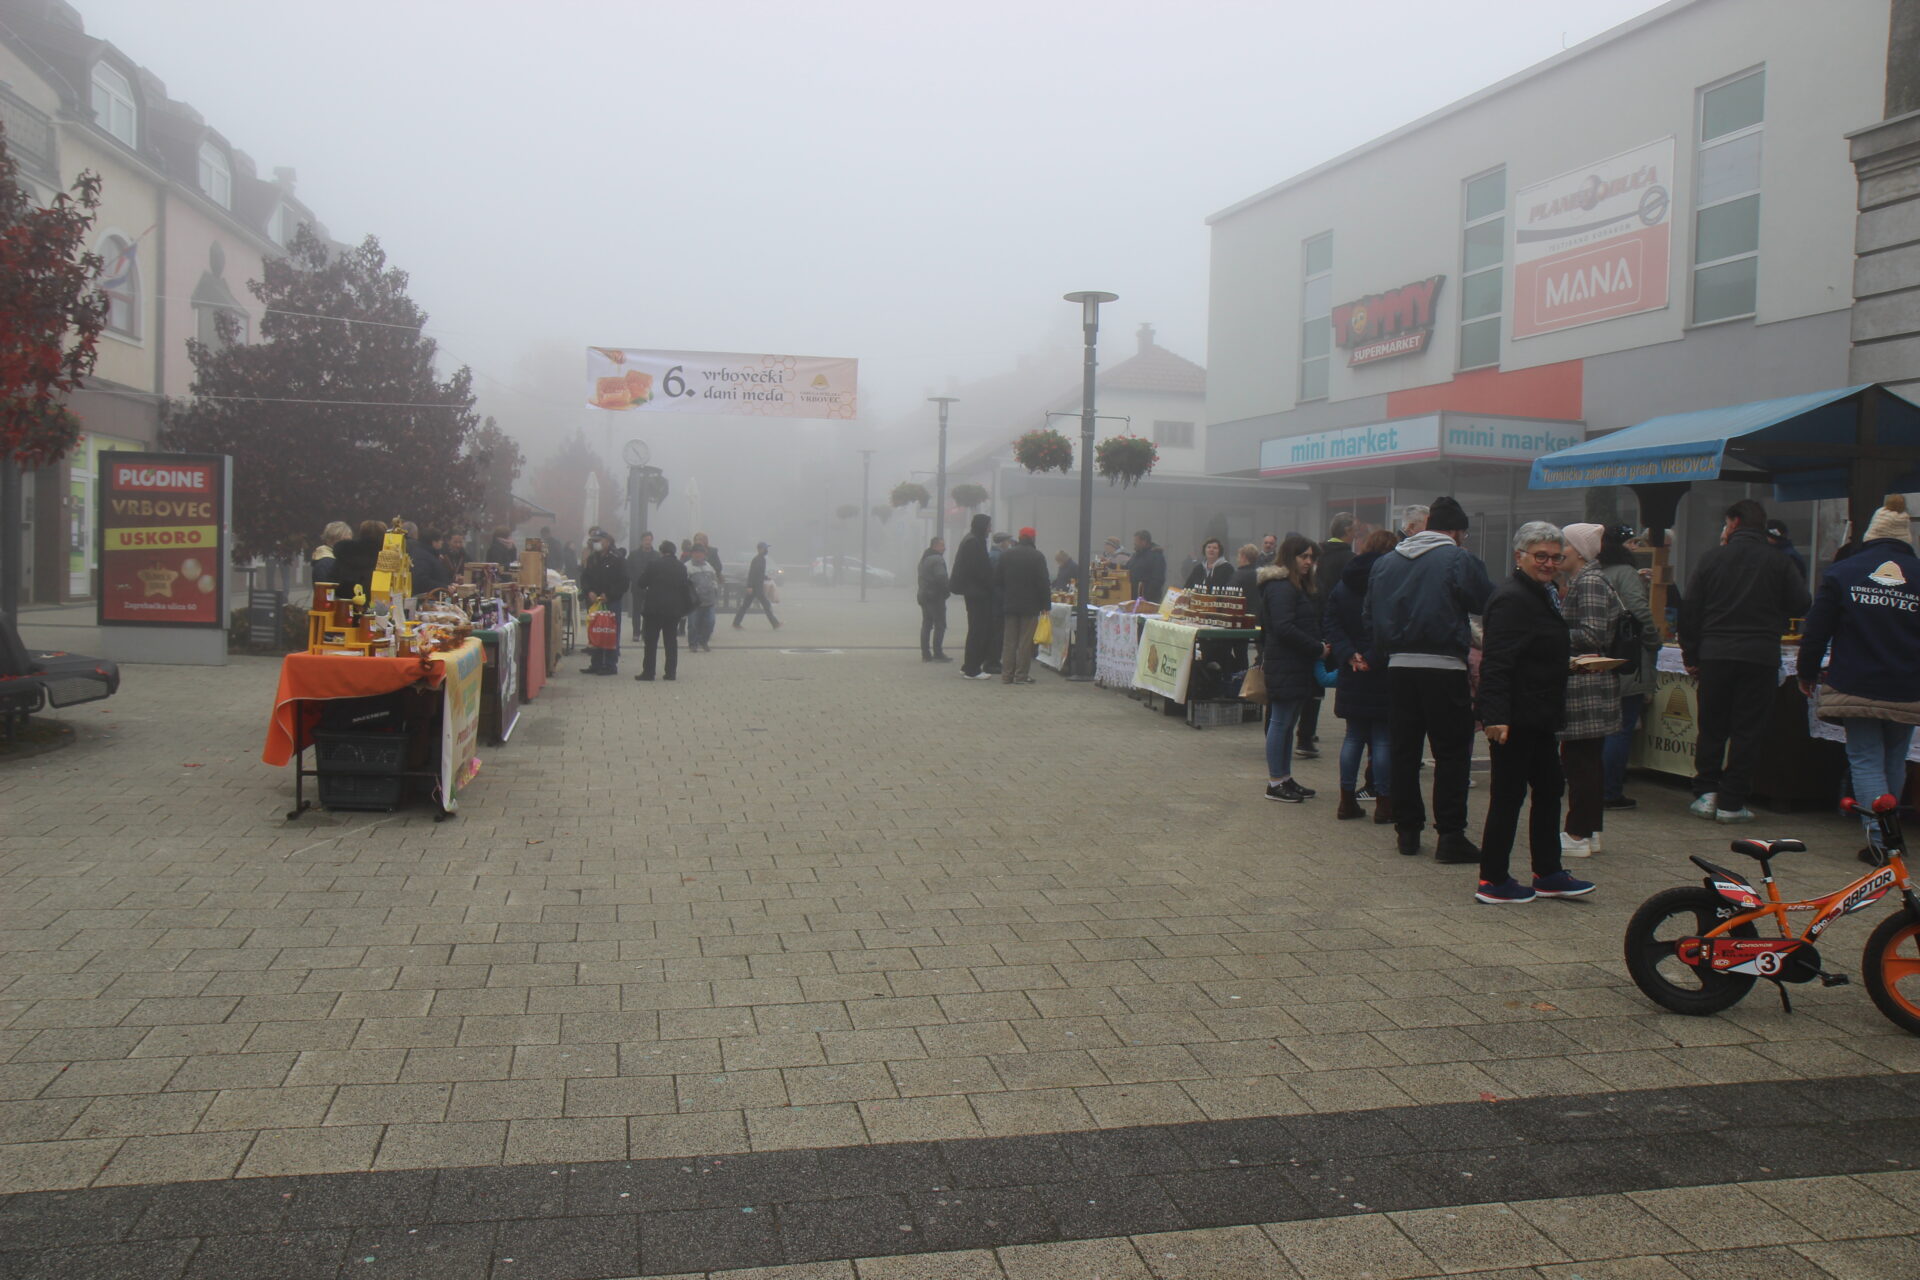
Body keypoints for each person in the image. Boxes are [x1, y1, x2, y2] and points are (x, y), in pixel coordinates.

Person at [1365, 495, 1496, 862]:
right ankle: (1450, 836)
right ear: (1456, 531)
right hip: (1444, 666)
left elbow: (1370, 615)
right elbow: (1485, 602)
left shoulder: (1385, 563)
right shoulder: (1458, 559)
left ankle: (1407, 831)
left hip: (1398, 667)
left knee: (1404, 751)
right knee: (1451, 753)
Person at [1474, 522, 1595, 904]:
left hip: (1539, 713)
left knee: (1550, 789)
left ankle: (1548, 873)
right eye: (1540, 556)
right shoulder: (1512, 598)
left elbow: (1537, 649)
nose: (1549, 563)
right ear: (1519, 556)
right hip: (1515, 717)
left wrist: (1567, 665)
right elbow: (1497, 661)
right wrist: (1495, 716)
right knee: (1508, 797)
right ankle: (1493, 880)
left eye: (1555, 557)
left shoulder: (1541, 593)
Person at [1798, 495, 1920, 863]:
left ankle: (1881, 843)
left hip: (1856, 682)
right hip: (1907, 685)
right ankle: (1891, 836)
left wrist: (1807, 672)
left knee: (1865, 759)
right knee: (1894, 760)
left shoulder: (1844, 573)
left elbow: (1816, 630)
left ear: (1871, 535)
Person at [1679, 499, 1811, 823]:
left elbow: (1690, 610)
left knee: (1712, 726)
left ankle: (1706, 793)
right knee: (1747, 730)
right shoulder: (1779, 562)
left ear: (1735, 522)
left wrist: (1692, 655)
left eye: (1726, 524)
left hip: (1715, 653)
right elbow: (1801, 603)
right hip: (1759, 655)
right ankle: (1732, 801)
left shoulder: (1711, 559)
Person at [1556, 524, 1623, 858]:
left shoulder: (1590, 582)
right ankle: (1589, 830)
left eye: (1564, 545)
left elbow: (1592, 634)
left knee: (1580, 761)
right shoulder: (1587, 580)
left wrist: (1551, 633)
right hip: (1589, 681)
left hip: (1586, 683)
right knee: (1586, 760)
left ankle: (1578, 832)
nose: (1558, 552)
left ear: (1580, 552)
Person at [1324, 529, 1398, 823]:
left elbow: (1331, 622)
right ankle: (1384, 804)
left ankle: (1346, 801)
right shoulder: (1392, 580)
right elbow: (1392, 625)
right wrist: (1372, 657)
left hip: (1352, 670)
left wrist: (1350, 655)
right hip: (1382, 671)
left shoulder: (1344, 583)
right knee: (1382, 739)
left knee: (1353, 736)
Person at [1257, 535, 1324, 802]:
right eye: (1303, 556)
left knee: (1287, 724)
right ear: (1290, 557)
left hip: (1294, 663)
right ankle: (1275, 782)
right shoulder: (1281, 587)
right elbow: (1284, 627)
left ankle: (1284, 777)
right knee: (1280, 722)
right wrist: (1316, 647)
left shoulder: (1294, 586)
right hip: (1285, 663)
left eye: (1311, 557)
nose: (1308, 562)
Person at [1599, 526, 1659, 810]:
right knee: (1620, 728)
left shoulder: (1594, 572)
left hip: (1599, 657)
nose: (1637, 547)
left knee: (1602, 728)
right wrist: (1653, 640)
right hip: (1626, 658)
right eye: (1632, 542)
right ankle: (1610, 790)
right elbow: (1639, 611)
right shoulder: (1625, 573)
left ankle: (1592, 785)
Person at [996, 527, 1052, 684]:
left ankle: (1006, 675)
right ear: (1033, 539)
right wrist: (1046, 604)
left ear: (1020, 538)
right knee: (1025, 643)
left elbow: (998, 580)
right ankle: (1021, 675)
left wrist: (1005, 597)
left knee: (1009, 642)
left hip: (1010, 604)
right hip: (1030, 606)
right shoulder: (1037, 556)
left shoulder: (1006, 555)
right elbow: (1043, 582)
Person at [634, 539, 691, 681]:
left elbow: (641, 583)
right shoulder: (681, 567)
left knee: (651, 641)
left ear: (661, 551)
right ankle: (670, 672)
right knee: (671, 640)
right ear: (674, 552)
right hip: (673, 610)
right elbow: (685, 588)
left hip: (654, 609)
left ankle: (649, 672)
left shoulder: (654, 564)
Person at [950, 514, 995, 679]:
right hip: (978, 593)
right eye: (988, 526)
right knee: (978, 630)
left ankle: (969, 665)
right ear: (982, 526)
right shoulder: (974, 542)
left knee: (976, 629)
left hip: (973, 591)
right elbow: (978, 569)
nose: (990, 529)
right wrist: (991, 584)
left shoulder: (971, 540)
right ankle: (972, 669)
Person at [577, 534, 627, 674]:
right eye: (595, 541)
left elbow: (623, 581)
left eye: (599, 541)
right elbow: (585, 577)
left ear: (608, 541)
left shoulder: (617, 559)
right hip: (595, 601)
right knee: (596, 630)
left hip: (611, 601)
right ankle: (596, 663)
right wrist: (589, 591)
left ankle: (610, 664)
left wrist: (609, 595)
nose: (597, 543)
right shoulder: (593, 558)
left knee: (610, 632)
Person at [331, 520, 387, 600]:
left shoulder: (344, 553)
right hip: (376, 603)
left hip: (344, 602)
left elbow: (333, 578)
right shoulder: (388, 559)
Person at [733, 541, 780, 630]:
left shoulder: (761, 559)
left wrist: (766, 577)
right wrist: (750, 586)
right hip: (756, 587)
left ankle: (736, 623)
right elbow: (752, 573)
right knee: (766, 605)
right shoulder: (758, 559)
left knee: (745, 606)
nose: (767, 550)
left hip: (756, 587)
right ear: (760, 549)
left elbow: (759, 573)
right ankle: (775, 623)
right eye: (765, 548)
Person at [918, 537, 951, 663]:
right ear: (935, 546)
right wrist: (947, 591)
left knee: (926, 624)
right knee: (940, 625)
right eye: (942, 545)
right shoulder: (937, 559)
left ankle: (925, 653)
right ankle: (938, 652)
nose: (944, 548)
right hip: (935, 597)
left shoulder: (924, 559)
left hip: (924, 596)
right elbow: (941, 577)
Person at [685, 544, 720, 653]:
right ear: (692, 554)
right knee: (693, 624)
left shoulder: (708, 566)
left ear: (704, 554)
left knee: (710, 622)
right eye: (696, 552)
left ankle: (703, 641)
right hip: (694, 602)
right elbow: (683, 584)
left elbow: (714, 579)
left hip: (709, 601)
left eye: (701, 553)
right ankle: (693, 644)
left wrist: (715, 589)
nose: (698, 555)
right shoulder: (687, 567)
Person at [628, 532, 656, 640]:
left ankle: (645, 632)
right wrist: (634, 578)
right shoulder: (633, 554)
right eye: (645, 540)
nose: (647, 542)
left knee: (648, 612)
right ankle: (636, 633)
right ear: (641, 541)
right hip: (637, 587)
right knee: (636, 611)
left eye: (649, 540)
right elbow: (628, 569)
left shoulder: (656, 555)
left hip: (652, 588)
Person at [1129, 530, 1167, 605]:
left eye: (1136, 542)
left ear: (1144, 542)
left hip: (1148, 600)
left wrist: (1146, 596)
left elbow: (1158, 579)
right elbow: (1128, 567)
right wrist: (1111, 564)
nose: (1134, 544)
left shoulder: (1156, 556)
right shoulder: (1136, 555)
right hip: (1134, 597)